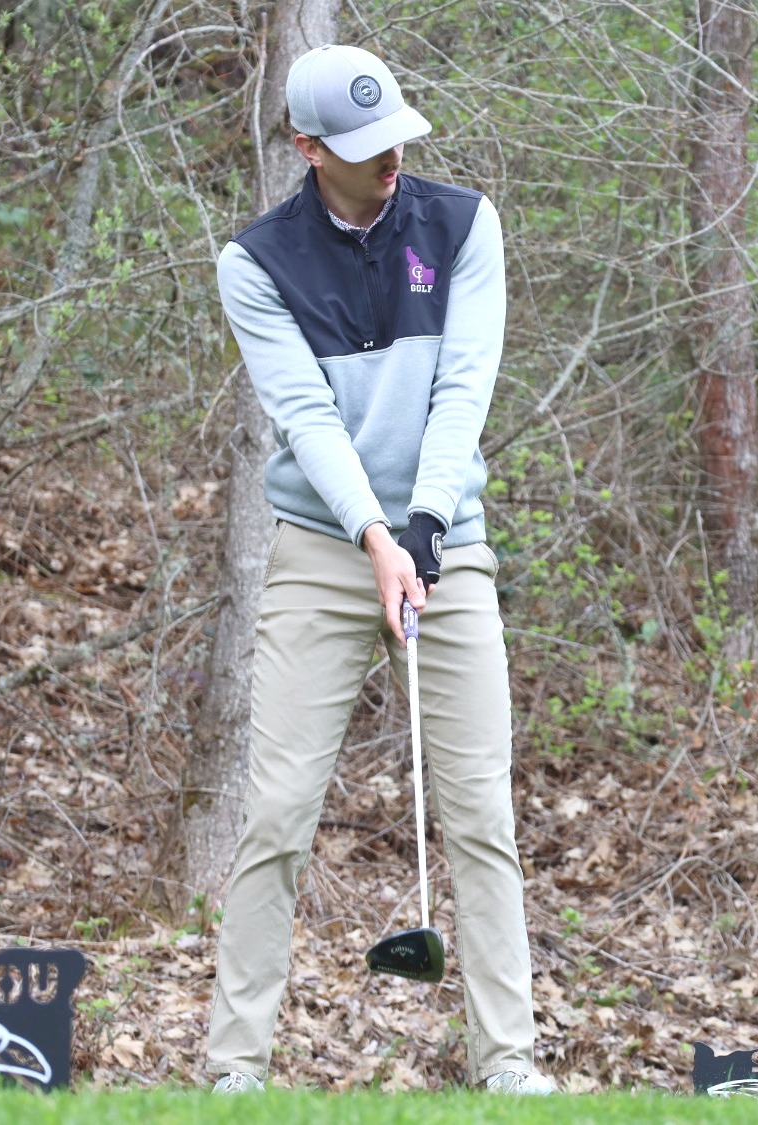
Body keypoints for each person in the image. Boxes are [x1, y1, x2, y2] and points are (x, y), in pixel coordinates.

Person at [203, 43, 553, 1096]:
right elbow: (305, 418)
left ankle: (507, 1061)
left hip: (446, 539)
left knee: (480, 810)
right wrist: (371, 535)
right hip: (322, 546)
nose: (389, 159)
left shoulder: (462, 225)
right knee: (278, 811)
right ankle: (234, 1069)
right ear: (307, 150)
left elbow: (464, 386)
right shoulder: (256, 264)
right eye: (361, 148)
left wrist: (426, 526)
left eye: (395, 134)